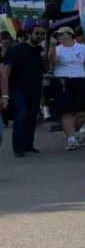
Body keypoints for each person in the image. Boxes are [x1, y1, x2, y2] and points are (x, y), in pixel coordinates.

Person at [47, 26, 85, 150]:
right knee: (67, 111)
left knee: (81, 113)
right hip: (63, 81)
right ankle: (71, 139)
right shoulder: (57, 49)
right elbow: (51, 59)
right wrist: (52, 46)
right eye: (57, 35)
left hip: (80, 81)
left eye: (60, 34)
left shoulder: (82, 48)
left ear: (69, 34)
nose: (58, 37)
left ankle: (73, 133)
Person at [3, 29, 45, 157]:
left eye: (42, 34)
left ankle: (28, 145)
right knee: (21, 116)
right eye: (37, 33)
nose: (40, 36)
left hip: (35, 89)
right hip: (18, 89)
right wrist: (5, 93)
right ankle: (18, 148)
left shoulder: (40, 51)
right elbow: (6, 70)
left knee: (32, 117)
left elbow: (46, 68)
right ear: (29, 34)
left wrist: (49, 50)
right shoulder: (16, 50)